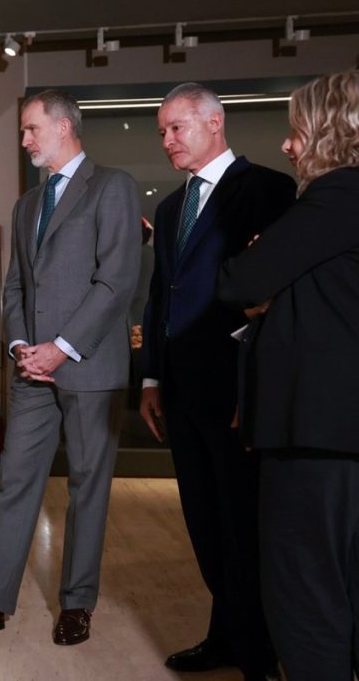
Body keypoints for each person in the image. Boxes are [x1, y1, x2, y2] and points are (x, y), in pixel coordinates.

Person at [0, 89, 140, 644]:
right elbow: (16, 286)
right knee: (15, 482)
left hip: (89, 366)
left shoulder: (112, 187)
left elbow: (116, 280)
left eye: (30, 130)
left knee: (88, 486)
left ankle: (77, 603)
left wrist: (62, 346)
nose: (24, 141)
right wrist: (23, 344)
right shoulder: (27, 205)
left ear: (65, 127)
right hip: (31, 371)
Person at [138, 83, 296, 679]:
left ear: (215, 122)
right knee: (204, 525)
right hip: (179, 391)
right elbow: (162, 295)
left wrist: (253, 385)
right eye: (162, 132)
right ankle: (226, 636)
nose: (168, 140)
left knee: (243, 525)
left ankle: (259, 653)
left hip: (233, 392)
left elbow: (276, 299)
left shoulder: (269, 190)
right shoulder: (175, 207)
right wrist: (152, 376)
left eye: (177, 127)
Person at [217, 70, 359, 681]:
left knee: (307, 604)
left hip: (318, 437)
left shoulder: (336, 196)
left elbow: (239, 281)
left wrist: (264, 269)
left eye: (295, 131)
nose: (287, 146)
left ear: (326, 132)